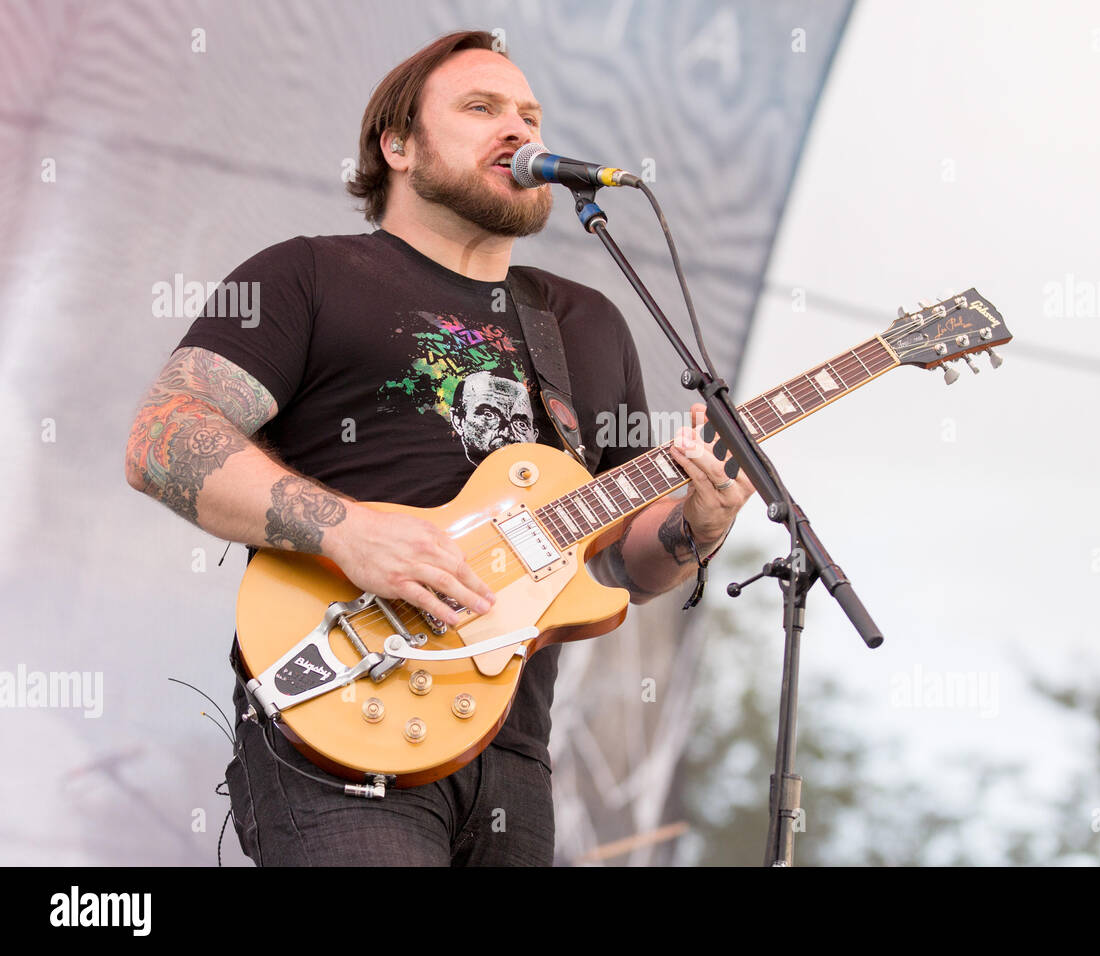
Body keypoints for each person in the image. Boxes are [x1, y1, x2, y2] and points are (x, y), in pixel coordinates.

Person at [124, 30, 754, 866]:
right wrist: (346, 530)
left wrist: (696, 527)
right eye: (481, 108)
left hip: (511, 748)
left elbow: (622, 569)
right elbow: (163, 439)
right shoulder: (306, 276)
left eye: (530, 114)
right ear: (398, 146)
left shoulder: (587, 323)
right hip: (347, 704)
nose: (520, 130)